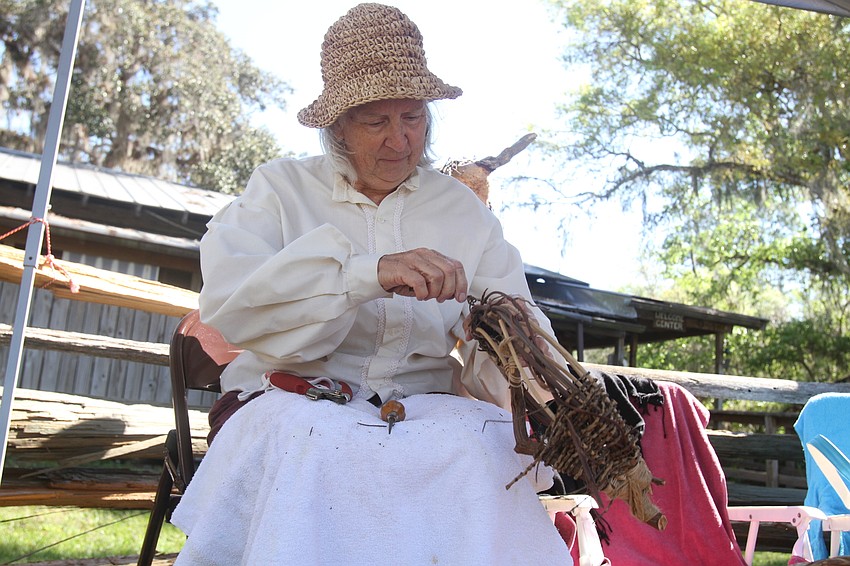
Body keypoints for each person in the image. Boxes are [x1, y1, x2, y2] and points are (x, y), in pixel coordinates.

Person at [170, 3, 574, 565]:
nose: (400, 141)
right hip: (292, 399)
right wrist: (370, 273)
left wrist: (542, 380)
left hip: (422, 412)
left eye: (412, 117)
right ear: (337, 125)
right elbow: (234, 298)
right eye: (376, 122)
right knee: (317, 445)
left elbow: (510, 323)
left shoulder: (462, 211)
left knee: (480, 449)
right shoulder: (279, 189)